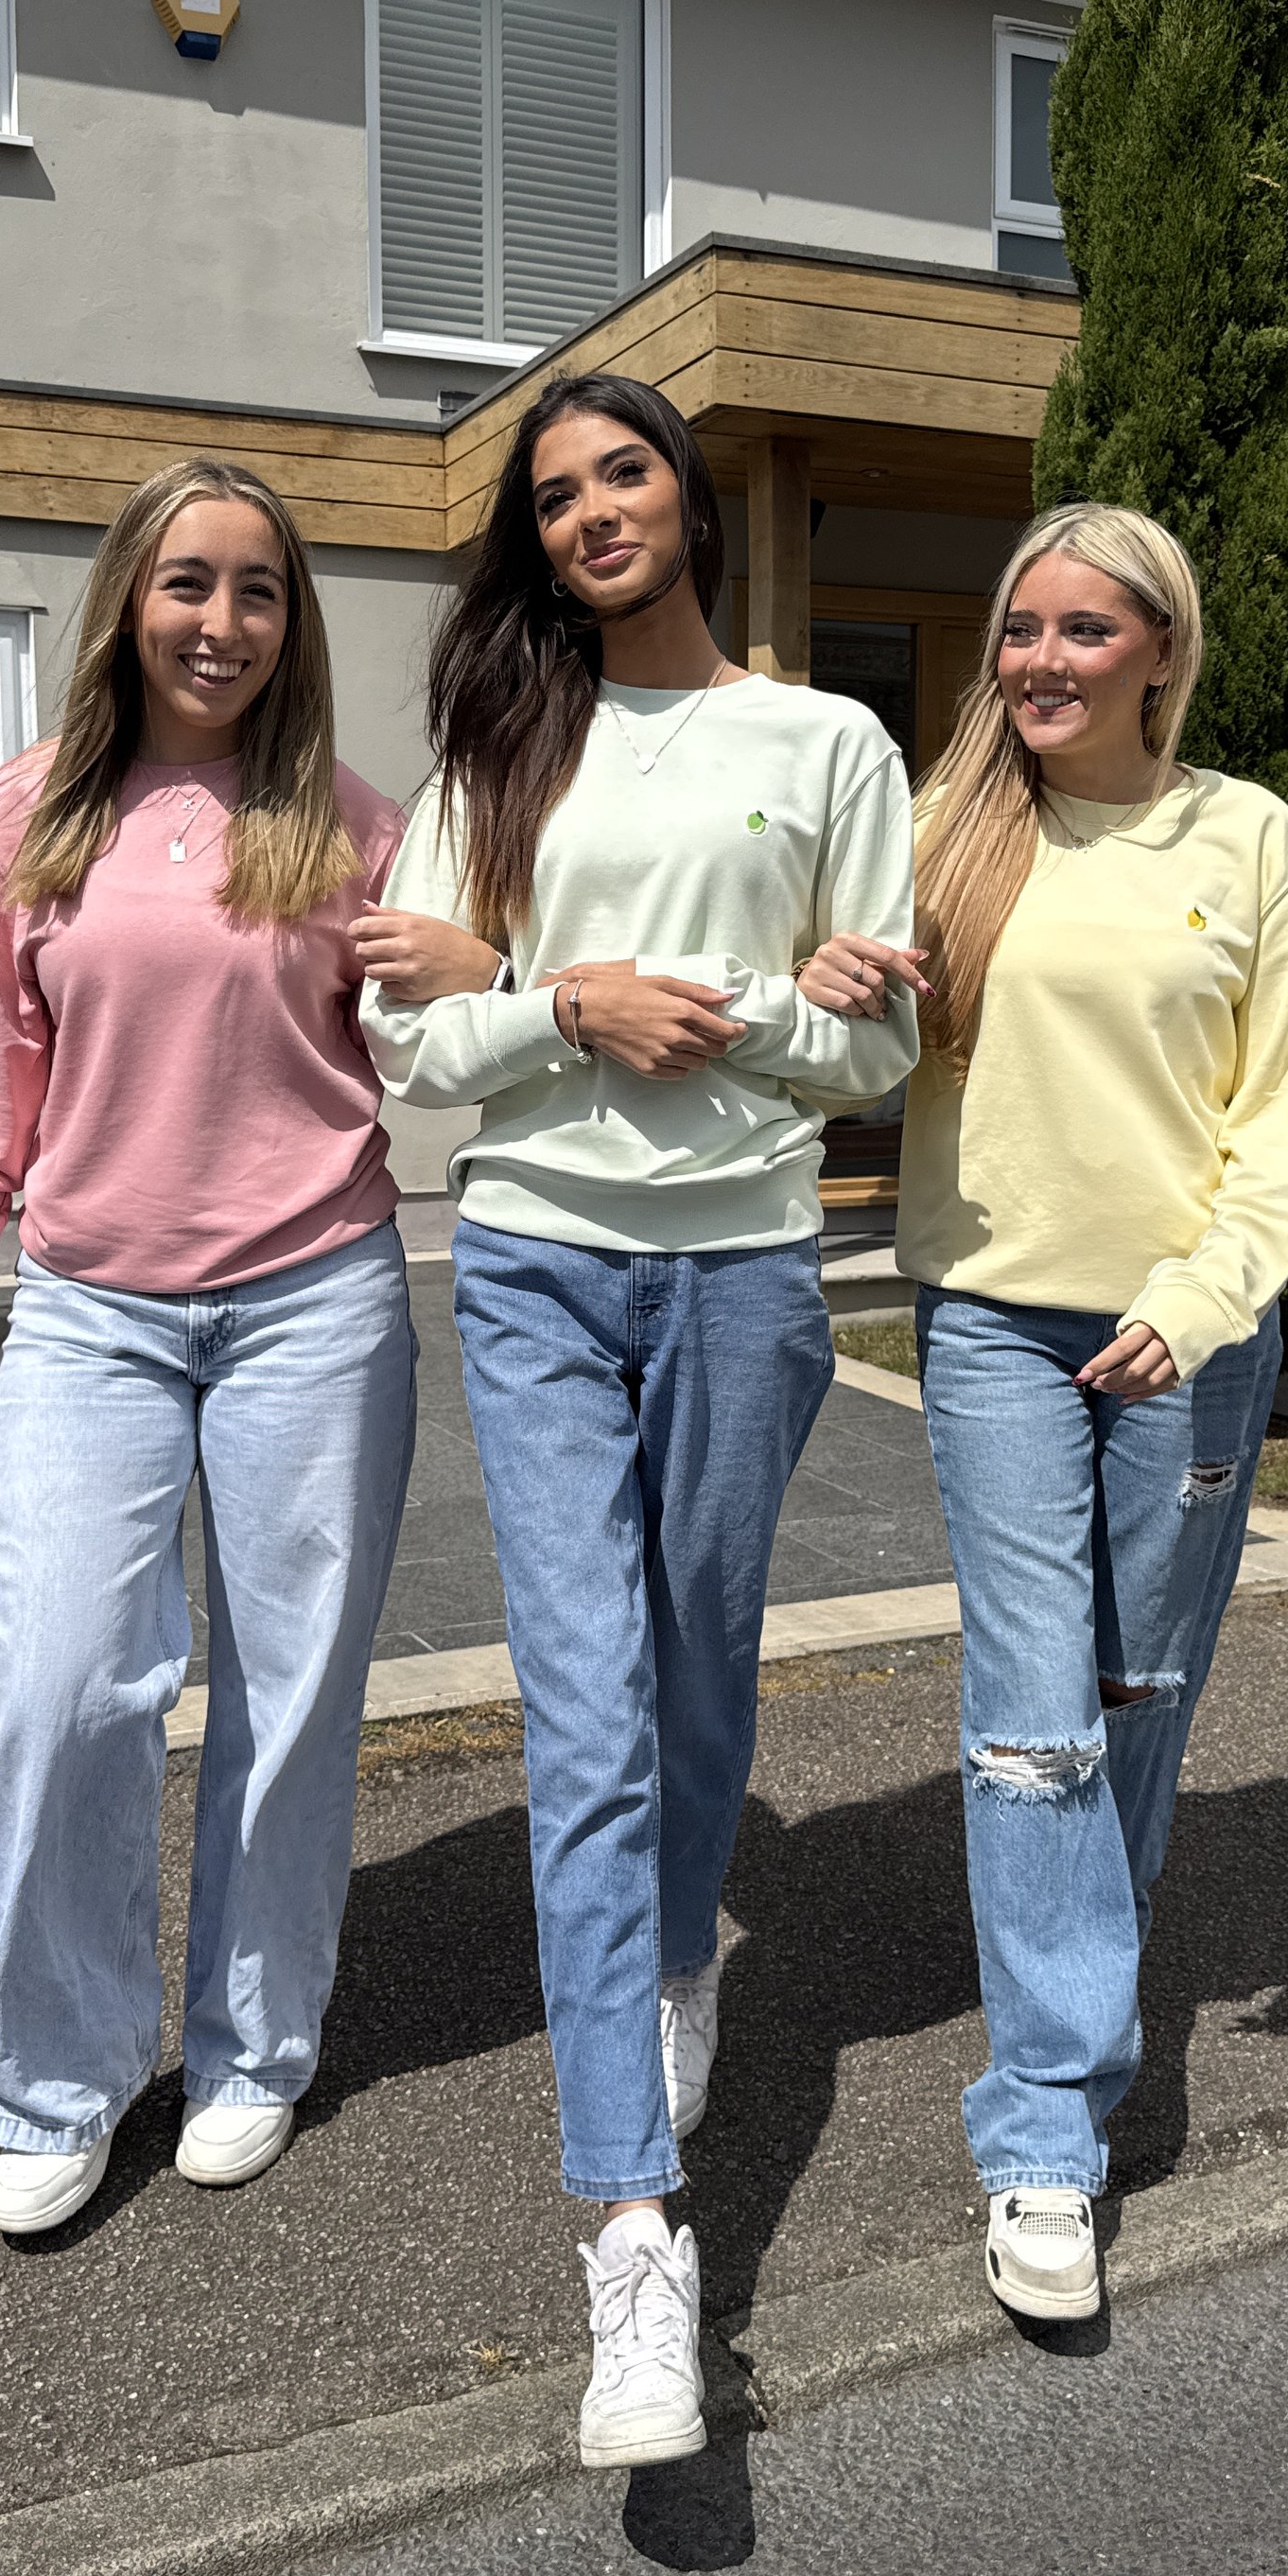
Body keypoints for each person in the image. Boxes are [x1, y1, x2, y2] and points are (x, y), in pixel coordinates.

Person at [356, 372, 919, 2468]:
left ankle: (684, 1937)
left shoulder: (824, 743)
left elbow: (877, 1051)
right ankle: (632, 2244)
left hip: (745, 1280)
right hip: (527, 1264)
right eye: (555, 493)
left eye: (621, 471)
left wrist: (745, 1009)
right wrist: (560, 1002)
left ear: (683, 493)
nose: (592, 509)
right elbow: (412, 1033)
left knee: (696, 1678)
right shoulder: (498, 742)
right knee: (578, 1717)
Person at [809, 500, 1288, 2324]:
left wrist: (1193, 1305)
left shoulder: (1249, 836)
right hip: (991, 1327)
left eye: (1083, 630)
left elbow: (1287, 1117)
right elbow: (879, 1065)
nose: (1039, 658)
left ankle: (1072, 2006)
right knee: (1034, 1711)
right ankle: (1049, 2126)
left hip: (1183, 1335)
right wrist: (834, 999)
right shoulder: (953, 833)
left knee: (1136, 1699)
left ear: (1160, 653)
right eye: (1020, 627)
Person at [0, 460, 417, 2238]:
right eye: (191, 583)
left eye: (260, 591)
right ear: (130, 596)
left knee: (291, 1701)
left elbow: (444, 1037)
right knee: (51, 1679)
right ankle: (57, 2068)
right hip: (96, 1308)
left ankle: (255, 2045)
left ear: (293, 622)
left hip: (315, 1299)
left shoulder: (349, 824)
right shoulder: (30, 813)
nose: (223, 622)